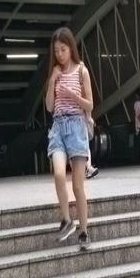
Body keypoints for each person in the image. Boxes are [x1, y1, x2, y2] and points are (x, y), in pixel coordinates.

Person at [45, 27, 93, 251]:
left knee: (77, 185)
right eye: (56, 51)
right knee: (58, 174)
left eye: (63, 49)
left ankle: (84, 231)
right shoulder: (55, 72)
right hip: (58, 127)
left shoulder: (82, 70)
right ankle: (66, 220)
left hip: (76, 127)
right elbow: (49, 106)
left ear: (71, 48)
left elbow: (90, 105)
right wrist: (52, 81)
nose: (59, 55)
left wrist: (73, 95)